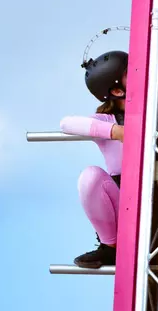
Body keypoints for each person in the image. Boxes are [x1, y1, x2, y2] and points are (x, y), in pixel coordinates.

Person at [58, 50, 128, 269]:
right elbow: (66, 124)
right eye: (129, 73)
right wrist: (117, 132)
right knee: (90, 176)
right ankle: (111, 247)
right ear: (117, 90)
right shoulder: (107, 120)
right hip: (125, 200)